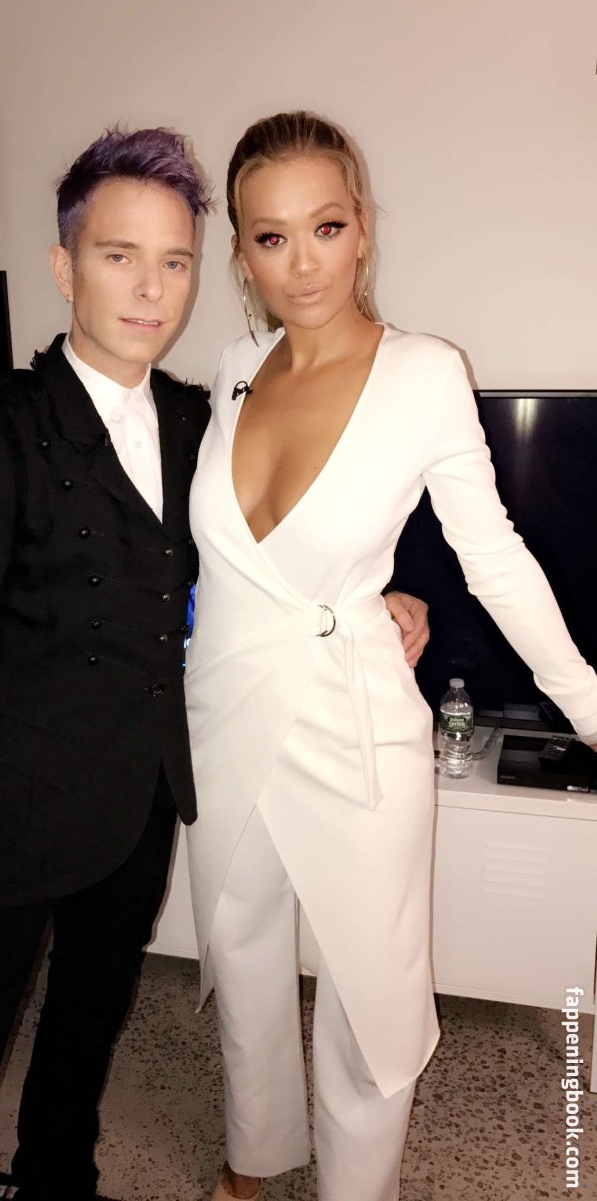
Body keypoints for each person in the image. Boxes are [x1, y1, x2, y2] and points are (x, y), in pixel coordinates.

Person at [0, 122, 426, 1201]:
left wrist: (384, 595)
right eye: (118, 255)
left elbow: (271, 549)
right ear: (64, 266)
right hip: (4, 818)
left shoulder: (198, 418)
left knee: (83, 1041)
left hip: (136, 808)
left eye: (175, 261)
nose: (149, 289)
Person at [184, 110, 597, 1201]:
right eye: (272, 237)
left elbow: (493, 558)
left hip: (353, 723)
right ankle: (254, 1154)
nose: (303, 262)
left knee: (371, 992)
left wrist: (590, 705)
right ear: (242, 252)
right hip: (226, 711)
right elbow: (237, 563)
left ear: (362, 226)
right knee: (242, 946)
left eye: (325, 226)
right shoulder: (233, 368)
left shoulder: (423, 372)